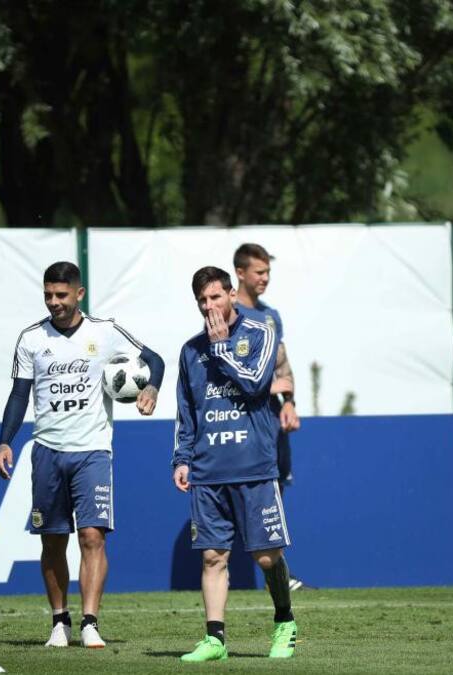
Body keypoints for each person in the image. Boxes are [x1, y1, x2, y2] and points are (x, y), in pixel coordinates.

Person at [0, 261, 165, 649]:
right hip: (47, 451)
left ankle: (90, 622)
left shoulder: (104, 332)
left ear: (79, 294)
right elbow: (20, 394)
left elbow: (154, 360)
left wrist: (151, 388)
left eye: (61, 295)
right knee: (53, 540)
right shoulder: (31, 339)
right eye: (48, 295)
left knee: (92, 536)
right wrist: (5, 440)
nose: (54, 302)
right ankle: (60, 621)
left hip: (93, 451)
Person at [173, 266, 297, 663]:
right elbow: (187, 412)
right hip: (209, 471)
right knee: (213, 556)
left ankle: (285, 622)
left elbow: (256, 384)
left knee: (265, 556)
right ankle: (215, 640)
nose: (209, 307)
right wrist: (182, 458)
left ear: (230, 295)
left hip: (255, 466)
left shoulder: (260, 332)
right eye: (202, 301)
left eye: (215, 297)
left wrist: (223, 347)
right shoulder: (191, 351)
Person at [232, 243, 307, 590]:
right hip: (235, 424)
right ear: (241, 273)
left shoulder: (271, 316)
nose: (265, 279)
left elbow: (282, 364)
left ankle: (277, 572)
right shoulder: (226, 313)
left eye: (268, 273)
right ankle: (226, 569)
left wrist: (288, 401)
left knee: (273, 491)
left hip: (268, 421)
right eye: (259, 272)